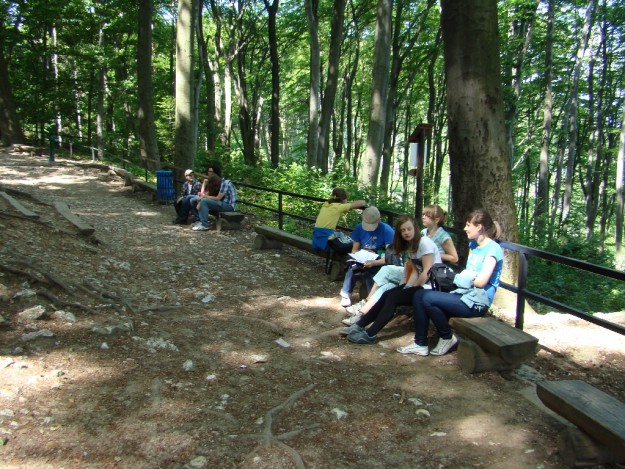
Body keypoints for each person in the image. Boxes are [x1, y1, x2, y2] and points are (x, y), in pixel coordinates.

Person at [397, 209, 504, 357]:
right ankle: (420, 343)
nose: (465, 228)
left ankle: (446, 337)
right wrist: (466, 277)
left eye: (468, 225)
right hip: (464, 293)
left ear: (479, 227)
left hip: (477, 302)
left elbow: (481, 282)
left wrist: (464, 277)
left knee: (428, 298)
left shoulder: (493, 249)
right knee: (419, 295)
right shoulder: (474, 245)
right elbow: (470, 275)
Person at [341, 215, 441, 344]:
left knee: (393, 298)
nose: (406, 232)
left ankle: (370, 334)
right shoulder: (411, 246)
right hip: (421, 285)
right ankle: (359, 325)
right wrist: (406, 287)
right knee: (387, 294)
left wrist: (412, 290)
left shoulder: (424, 243)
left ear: (415, 228)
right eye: (403, 230)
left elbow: (427, 271)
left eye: (409, 229)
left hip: (431, 287)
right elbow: (416, 272)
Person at [339, 206, 394, 307]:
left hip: (379, 261)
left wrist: (374, 262)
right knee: (352, 267)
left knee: (371, 273)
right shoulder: (359, 228)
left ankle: (371, 300)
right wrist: (359, 256)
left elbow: (389, 256)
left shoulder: (387, 231)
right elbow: (354, 249)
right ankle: (345, 294)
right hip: (363, 258)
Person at [191, 164, 237, 231]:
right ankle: (200, 221)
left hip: (229, 206)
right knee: (197, 200)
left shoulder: (225, 183)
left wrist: (203, 197)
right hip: (222, 203)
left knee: (204, 201)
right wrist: (201, 198)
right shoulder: (221, 182)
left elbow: (218, 198)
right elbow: (210, 195)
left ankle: (204, 225)